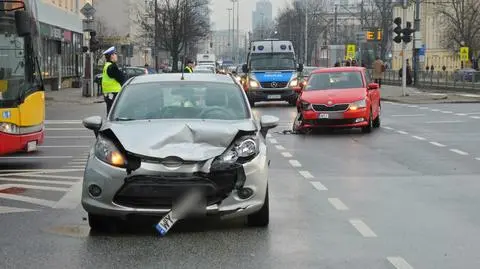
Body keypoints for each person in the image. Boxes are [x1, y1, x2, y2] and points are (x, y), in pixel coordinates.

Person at [101, 46, 126, 114]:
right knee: (115, 114)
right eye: (115, 54)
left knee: (110, 113)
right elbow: (122, 78)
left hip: (108, 94)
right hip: (114, 93)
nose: (116, 56)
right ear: (111, 56)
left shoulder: (106, 65)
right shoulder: (112, 67)